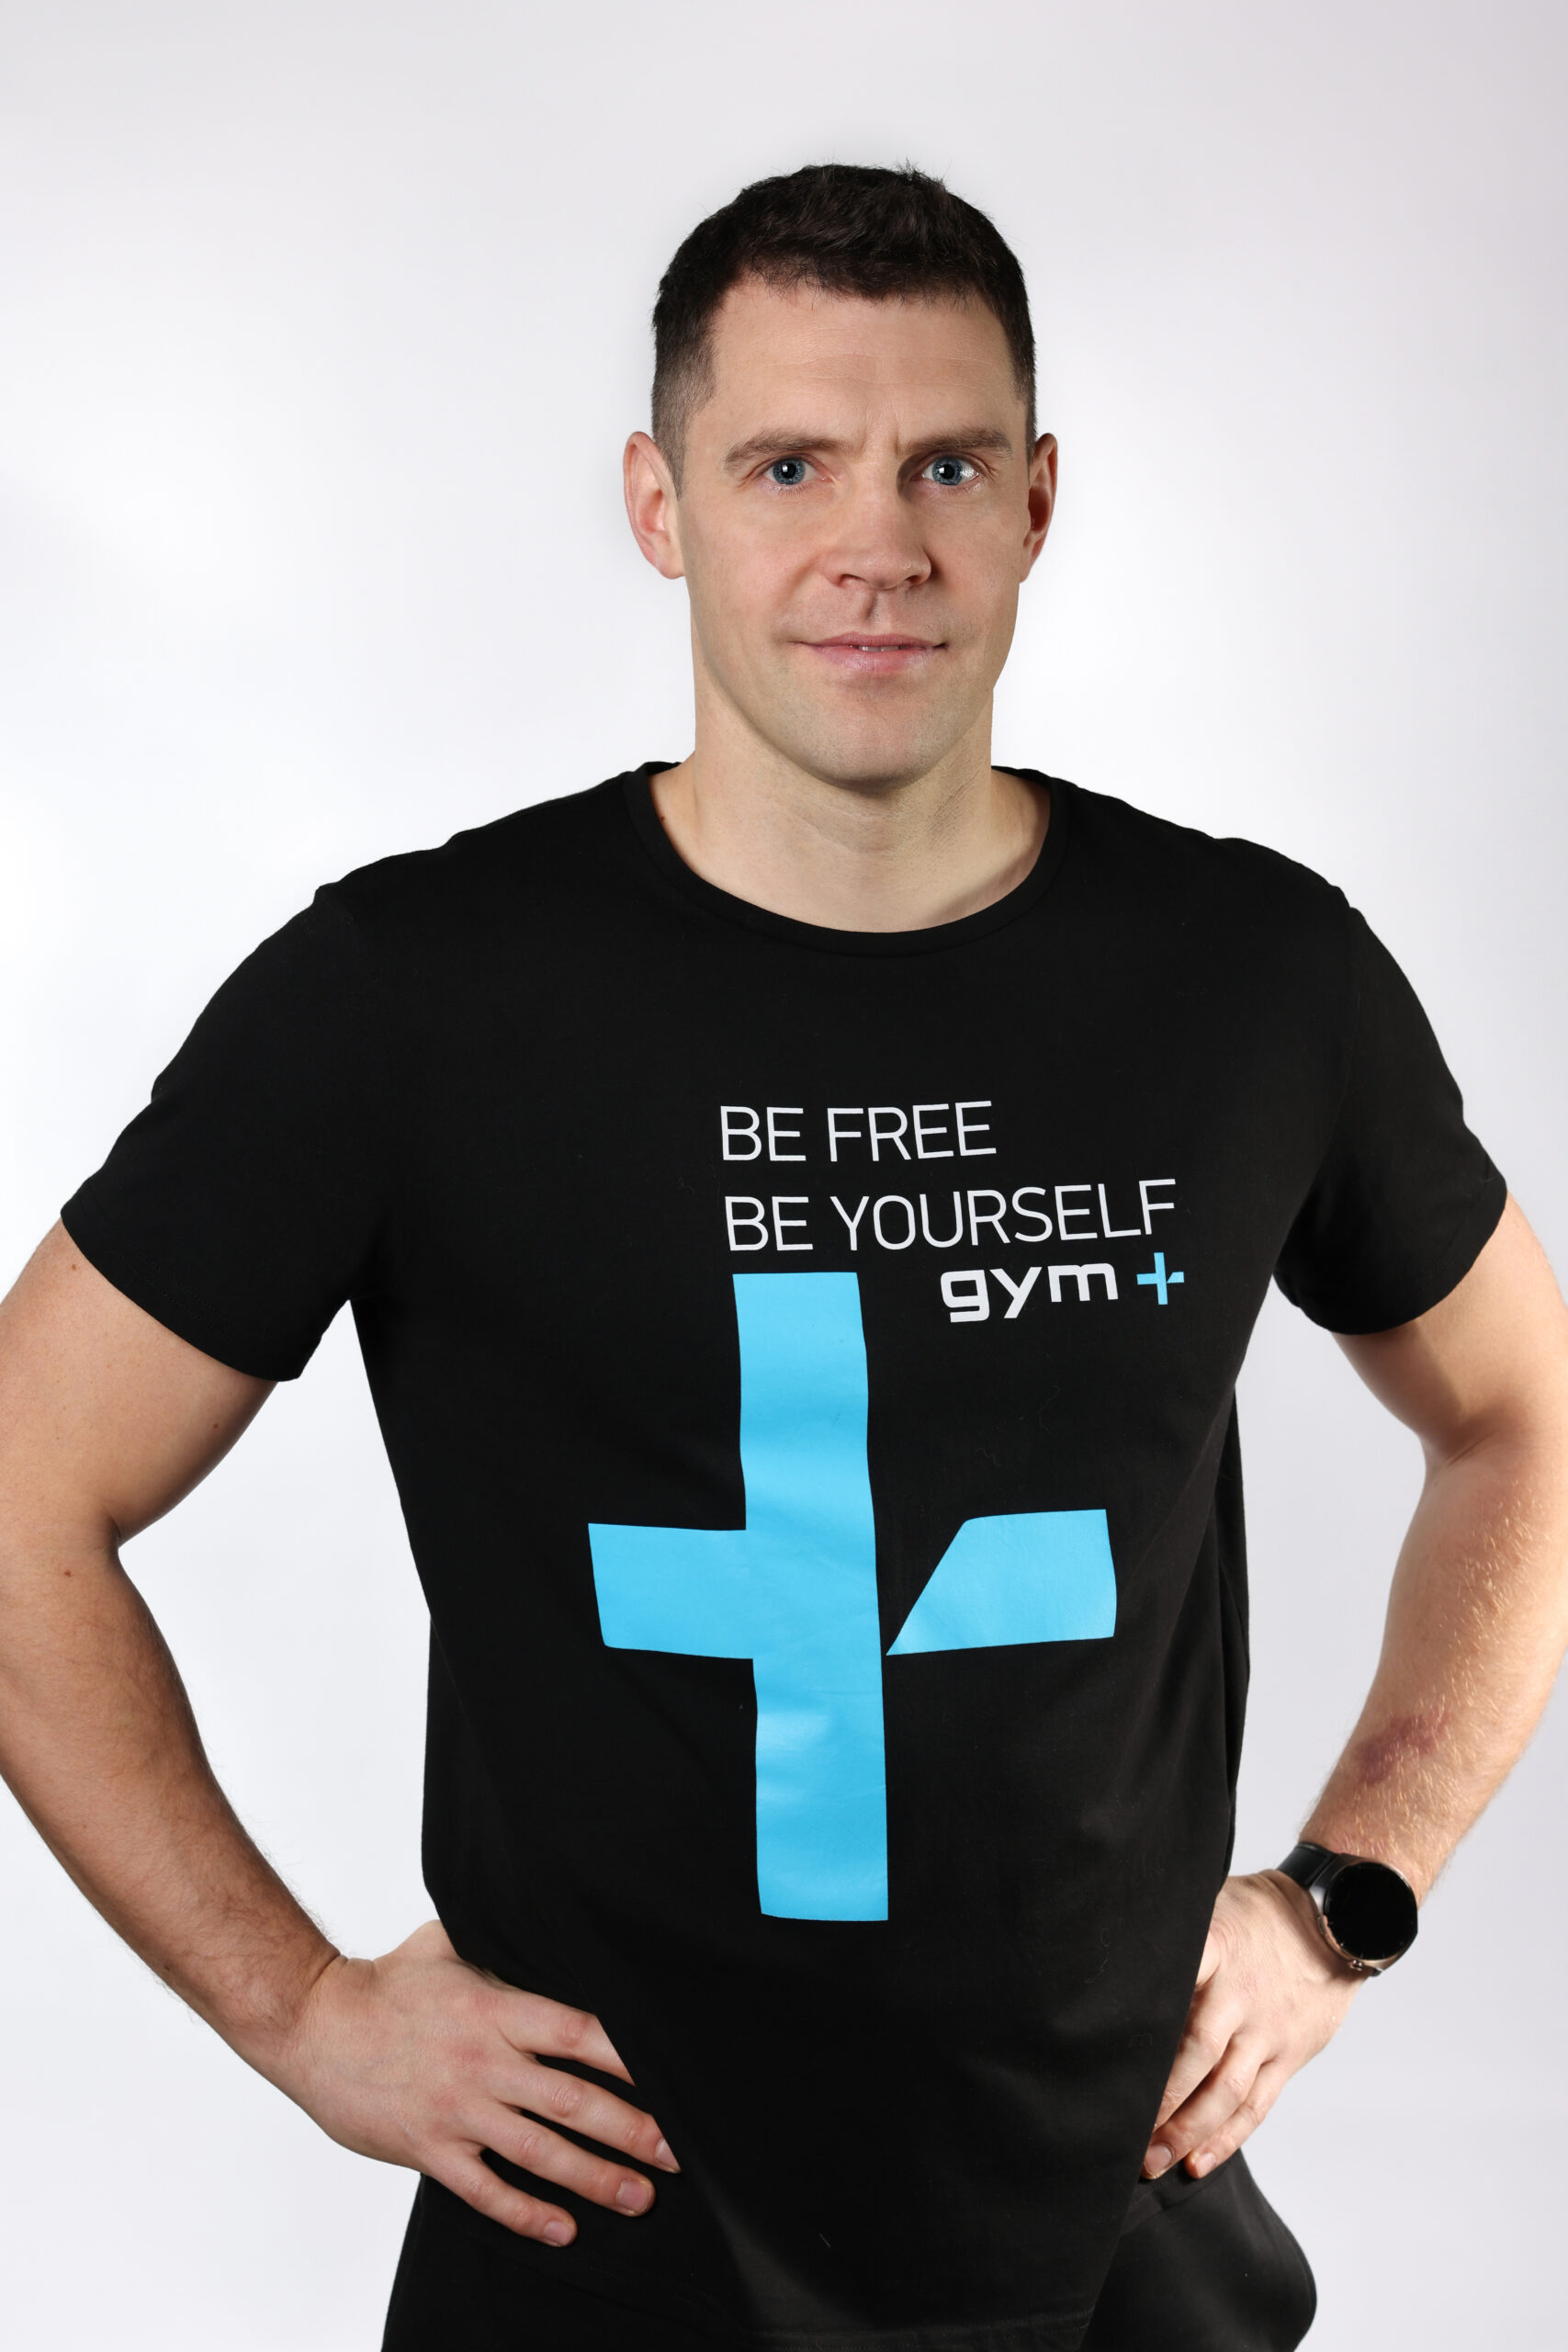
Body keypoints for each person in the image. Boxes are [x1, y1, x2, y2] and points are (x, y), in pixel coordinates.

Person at [0, 162, 1564, 2352]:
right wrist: (296, 2006)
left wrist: (1345, 1893)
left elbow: (1521, 1413)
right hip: (607, 2240)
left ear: (1036, 502)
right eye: (786, 465)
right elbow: (21, 1483)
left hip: (1117, 2242)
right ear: (658, 507)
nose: (877, 544)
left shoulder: (1250, 976)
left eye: (945, 465)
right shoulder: (412, 993)